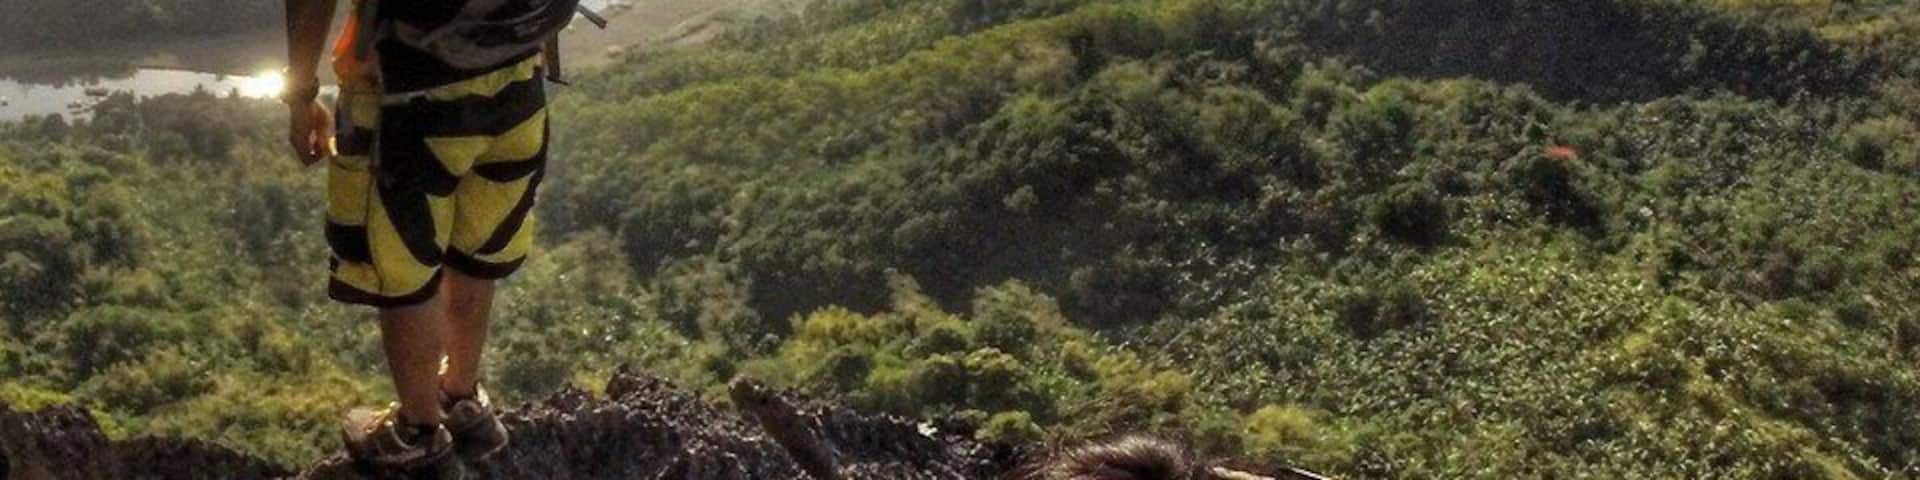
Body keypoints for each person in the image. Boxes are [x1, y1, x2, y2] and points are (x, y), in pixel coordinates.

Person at [282, 0, 569, 476]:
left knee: (403, 273)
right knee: (476, 252)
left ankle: (419, 433)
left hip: (410, 99)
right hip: (517, 86)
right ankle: (463, 400)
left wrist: (299, 95)